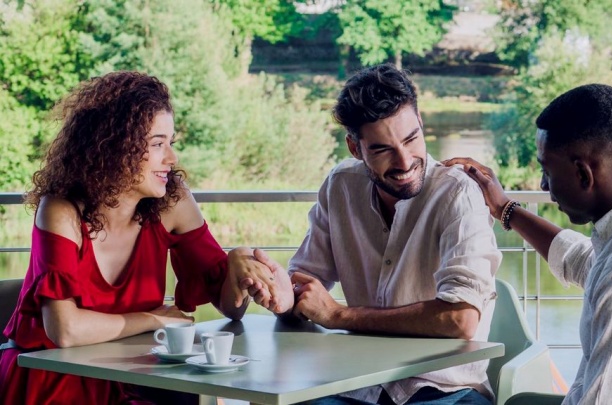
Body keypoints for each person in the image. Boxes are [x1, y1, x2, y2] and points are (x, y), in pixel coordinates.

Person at [234, 64, 502, 405]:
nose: (404, 162)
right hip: (357, 385)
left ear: (421, 123)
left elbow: (460, 319)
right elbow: (306, 284)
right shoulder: (340, 185)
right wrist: (284, 295)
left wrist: (338, 316)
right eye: (382, 149)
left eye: (411, 139)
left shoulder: (458, 194)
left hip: (446, 390)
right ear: (354, 148)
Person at [444, 83, 612, 405]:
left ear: (583, 174)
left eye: (547, 171)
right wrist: (506, 209)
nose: (543, 186)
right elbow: (580, 260)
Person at [0, 71, 260, 404]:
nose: (172, 158)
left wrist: (239, 264)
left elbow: (231, 309)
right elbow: (64, 330)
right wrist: (153, 319)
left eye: (171, 143)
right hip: (50, 378)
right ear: (114, 147)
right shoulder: (60, 209)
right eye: (157, 144)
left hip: (131, 373)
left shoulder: (173, 201)